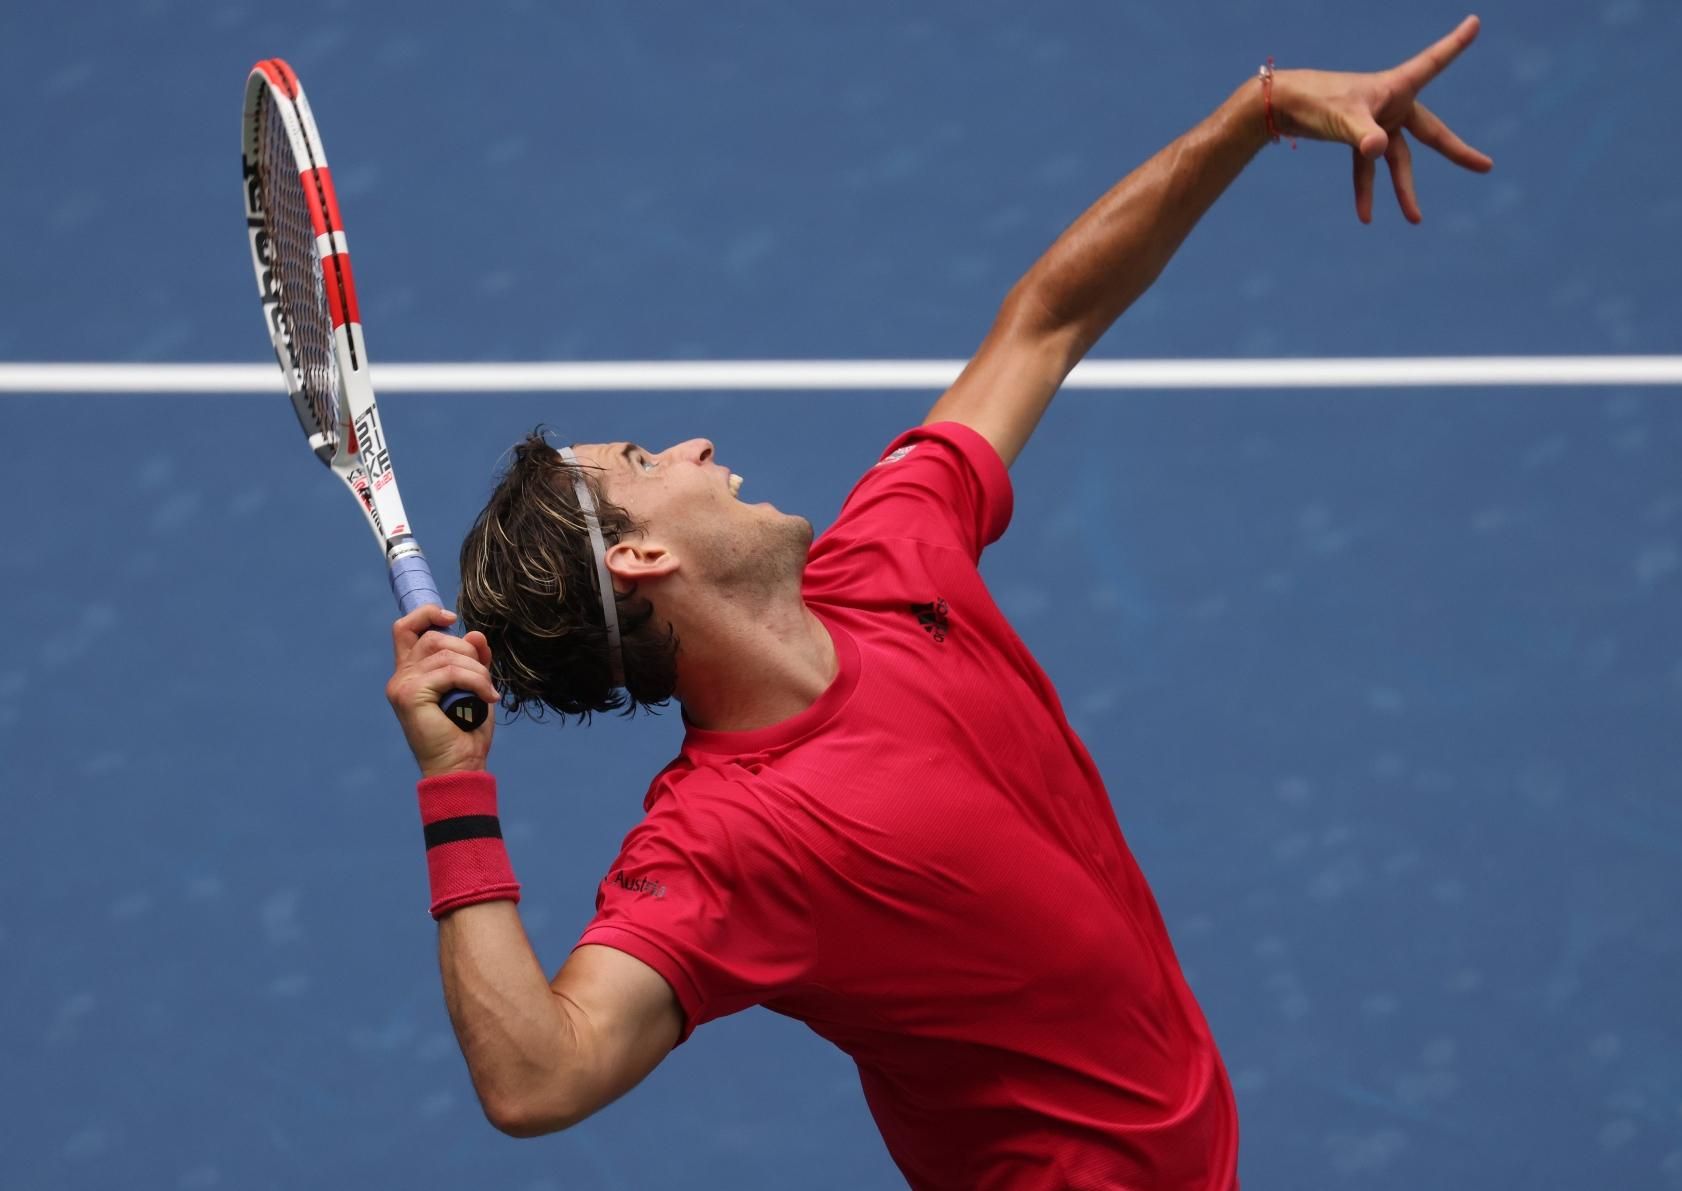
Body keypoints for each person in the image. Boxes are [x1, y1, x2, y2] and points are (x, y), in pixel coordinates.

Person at [385, 19, 1491, 1190]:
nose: (701, 442)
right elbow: (538, 1081)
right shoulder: (728, 843)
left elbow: (1047, 319)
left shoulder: (889, 559)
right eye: (653, 456)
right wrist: (454, 791)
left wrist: (1253, 113)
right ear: (643, 558)